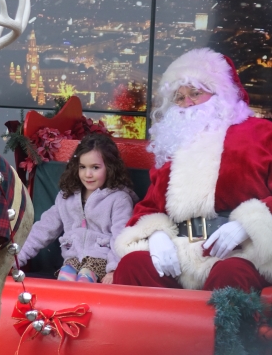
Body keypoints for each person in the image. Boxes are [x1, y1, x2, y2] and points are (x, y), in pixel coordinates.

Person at [113, 47, 272, 292]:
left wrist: (248, 225)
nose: (187, 103)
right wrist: (156, 235)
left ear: (221, 93)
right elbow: (150, 206)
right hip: (183, 252)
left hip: (241, 251)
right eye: (179, 97)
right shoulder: (172, 145)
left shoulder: (261, 133)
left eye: (196, 93)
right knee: (133, 266)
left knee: (230, 275)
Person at [16, 133, 138, 284]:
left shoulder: (119, 199)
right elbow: (43, 229)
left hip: (102, 261)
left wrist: (114, 269)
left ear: (110, 167)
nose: (88, 174)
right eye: (82, 167)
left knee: (84, 278)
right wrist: (16, 258)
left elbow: (120, 237)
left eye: (95, 167)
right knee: (64, 278)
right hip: (72, 260)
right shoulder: (67, 197)